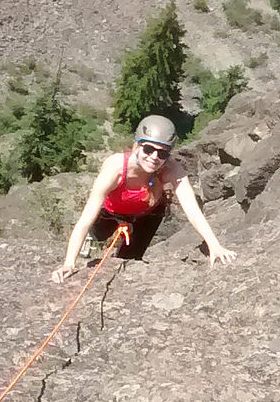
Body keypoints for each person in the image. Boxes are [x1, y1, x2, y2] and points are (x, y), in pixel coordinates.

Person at [51, 114, 235, 280]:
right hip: (110, 211)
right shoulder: (115, 167)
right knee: (99, 234)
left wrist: (214, 244)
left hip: (146, 215)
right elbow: (85, 220)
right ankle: (93, 239)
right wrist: (69, 263)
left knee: (128, 260)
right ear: (136, 145)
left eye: (162, 152)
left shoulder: (171, 169)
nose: (154, 157)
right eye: (148, 149)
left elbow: (192, 209)